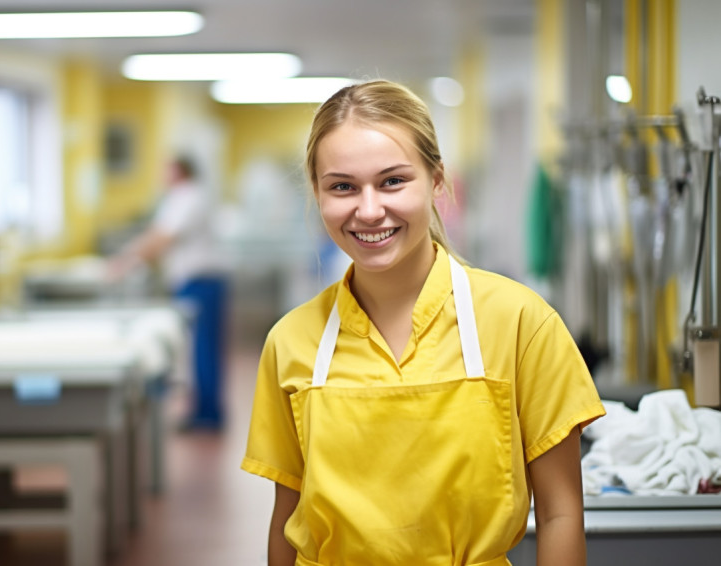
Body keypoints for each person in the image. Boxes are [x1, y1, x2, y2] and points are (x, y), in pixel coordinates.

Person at [241, 80, 606, 565]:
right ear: (318, 193)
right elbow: (287, 522)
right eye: (343, 186)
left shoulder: (520, 322)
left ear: (437, 181)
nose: (369, 210)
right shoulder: (290, 342)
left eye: (393, 181)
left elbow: (561, 513)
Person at [110, 156, 227, 430]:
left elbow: (163, 238)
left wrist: (125, 263)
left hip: (202, 281)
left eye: (167, 170)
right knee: (198, 350)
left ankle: (208, 415)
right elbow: (156, 232)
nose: (162, 175)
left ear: (181, 172)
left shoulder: (189, 197)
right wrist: (129, 255)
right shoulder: (179, 198)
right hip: (194, 281)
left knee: (203, 350)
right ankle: (204, 411)